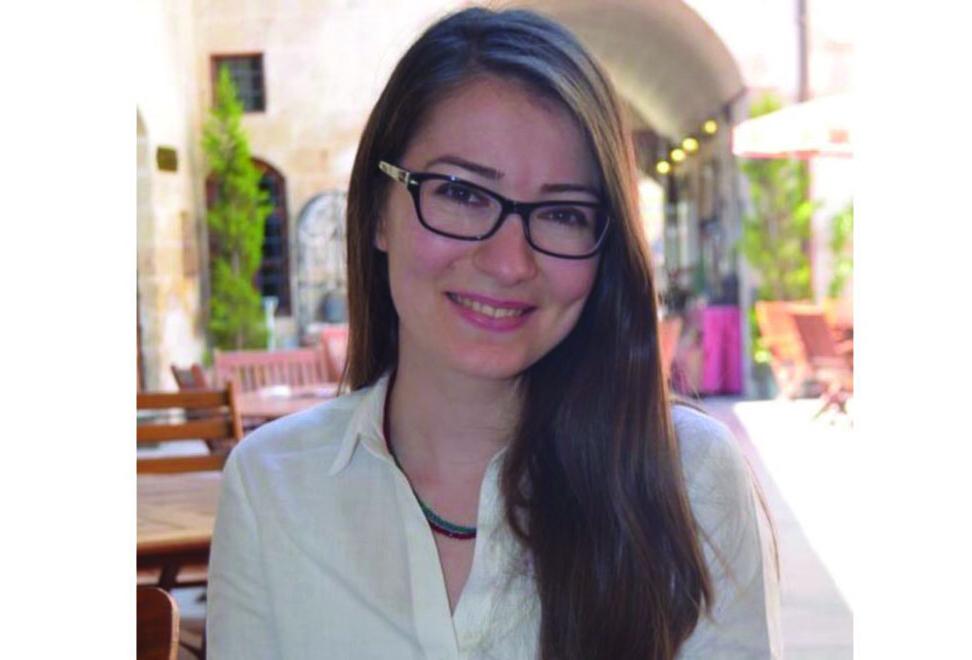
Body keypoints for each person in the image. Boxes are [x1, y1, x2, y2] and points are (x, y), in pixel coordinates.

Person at [207, 7, 780, 659]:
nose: (510, 263)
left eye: (562, 213)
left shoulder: (689, 479)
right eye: (461, 193)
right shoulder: (271, 485)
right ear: (378, 213)